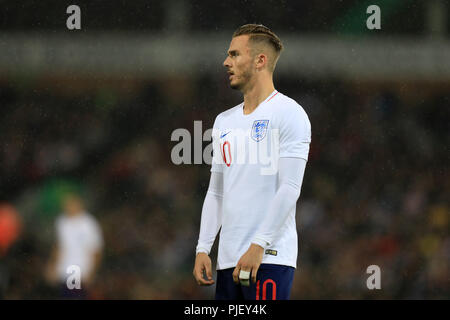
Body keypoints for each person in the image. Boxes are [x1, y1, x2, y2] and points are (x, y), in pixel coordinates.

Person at [193, 24, 311, 300]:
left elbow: (290, 188)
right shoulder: (224, 121)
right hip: (228, 259)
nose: (226, 62)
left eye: (234, 54)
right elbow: (216, 191)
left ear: (260, 60)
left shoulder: (289, 113)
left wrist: (259, 245)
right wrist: (203, 247)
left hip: (269, 257)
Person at [46, 193, 103, 299]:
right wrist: (53, 265)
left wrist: (92, 272)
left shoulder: (88, 224)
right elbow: (59, 245)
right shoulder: (62, 222)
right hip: (63, 268)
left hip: (78, 268)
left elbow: (96, 250)